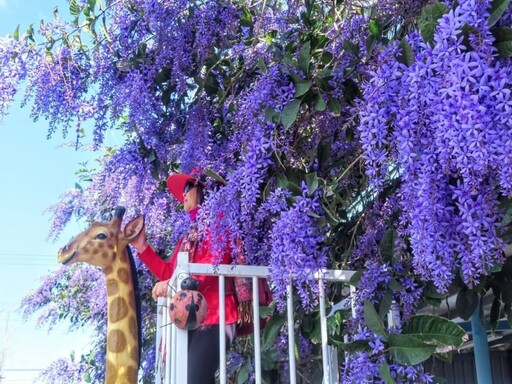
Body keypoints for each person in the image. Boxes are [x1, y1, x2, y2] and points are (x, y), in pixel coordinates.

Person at [130, 171, 238, 384]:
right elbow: (169, 273)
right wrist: (142, 246)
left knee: (193, 380)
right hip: (189, 318)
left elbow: (216, 262)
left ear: (202, 190)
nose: (184, 194)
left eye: (188, 188)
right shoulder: (188, 236)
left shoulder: (218, 222)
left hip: (217, 316)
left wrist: (171, 284)